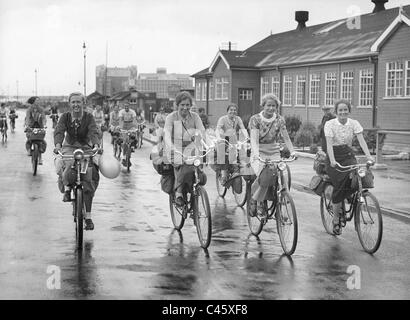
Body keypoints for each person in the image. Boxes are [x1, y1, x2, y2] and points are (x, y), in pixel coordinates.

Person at [324, 99, 374, 235]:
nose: (343, 112)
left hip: (348, 155)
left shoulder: (354, 124)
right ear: (336, 112)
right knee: (340, 186)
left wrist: (369, 156)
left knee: (358, 175)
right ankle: (335, 220)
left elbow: (361, 140)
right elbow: (329, 144)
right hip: (334, 157)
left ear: (349, 111)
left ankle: (350, 196)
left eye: (345, 109)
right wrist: (333, 160)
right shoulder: (330, 124)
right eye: (340, 110)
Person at [54, 92, 100, 231]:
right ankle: (67, 188)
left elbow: (93, 131)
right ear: (69, 104)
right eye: (73, 102)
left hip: (85, 147)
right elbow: (59, 131)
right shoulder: (65, 117)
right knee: (67, 163)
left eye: (78, 102)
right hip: (68, 146)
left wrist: (96, 144)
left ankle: (89, 217)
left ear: (83, 103)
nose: (76, 104)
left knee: (90, 174)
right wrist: (57, 145)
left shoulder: (89, 117)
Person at [248, 93, 296, 216]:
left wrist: (292, 151)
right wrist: (256, 154)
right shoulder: (255, 119)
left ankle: (283, 197)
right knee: (265, 175)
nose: (271, 108)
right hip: (258, 150)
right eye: (268, 105)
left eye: (273, 106)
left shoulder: (279, 119)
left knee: (280, 171)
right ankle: (258, 201)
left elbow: (286, 137)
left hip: (274, 150)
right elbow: (253, 139)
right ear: (263, 106)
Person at [164, 91, 206, 207]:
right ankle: (178, 193)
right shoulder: (171, 117)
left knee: (198, 168)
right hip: (175, 148)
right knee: (184, 165)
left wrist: (209, 144)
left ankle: (194, 190)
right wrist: (170, 146)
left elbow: (201, 131)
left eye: (188, 105)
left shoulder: (195, 117)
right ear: (177, 105)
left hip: (190, 148)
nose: (185, 107)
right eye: (182, 105)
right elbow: (166, 134)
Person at [215, 103, 249, 184]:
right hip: (223, 139)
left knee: (241, 150)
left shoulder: (237, 119)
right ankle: (223, 173)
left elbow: (243, 128)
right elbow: (217, 129)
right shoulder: (222, 119)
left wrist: (247, 136)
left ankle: (238, 168)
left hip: (233, 139)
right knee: (224, 154)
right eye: (231, 110)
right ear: (227, 111)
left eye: (234, 110)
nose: (233, 111)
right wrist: (219, 138)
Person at [25, 97, 46, 164]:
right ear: (33, 101)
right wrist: (27, 125)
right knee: (29, 139)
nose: (38, 101)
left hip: (40, 126)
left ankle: (40, 159)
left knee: (41, 141)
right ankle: (29, 149)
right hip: (31, 126)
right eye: (37, 100)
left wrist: (44, 124)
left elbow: (43, 117)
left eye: (39, 100)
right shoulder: (29, 109)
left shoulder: (41, 109)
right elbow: (28, 118)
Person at [118, 101, 137, 166]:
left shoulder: (133, 112)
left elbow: (134, 120)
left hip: (131, 125)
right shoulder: (121, 112)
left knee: (134, 137)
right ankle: (123, 157)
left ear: (129, 106)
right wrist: (120, 127)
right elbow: (120, 120)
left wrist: (135, 127)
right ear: (124, 107)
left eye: (127, 106)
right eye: (125, 106)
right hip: (124, 125)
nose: (126, 107)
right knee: (125, 141)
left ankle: (133, 146)